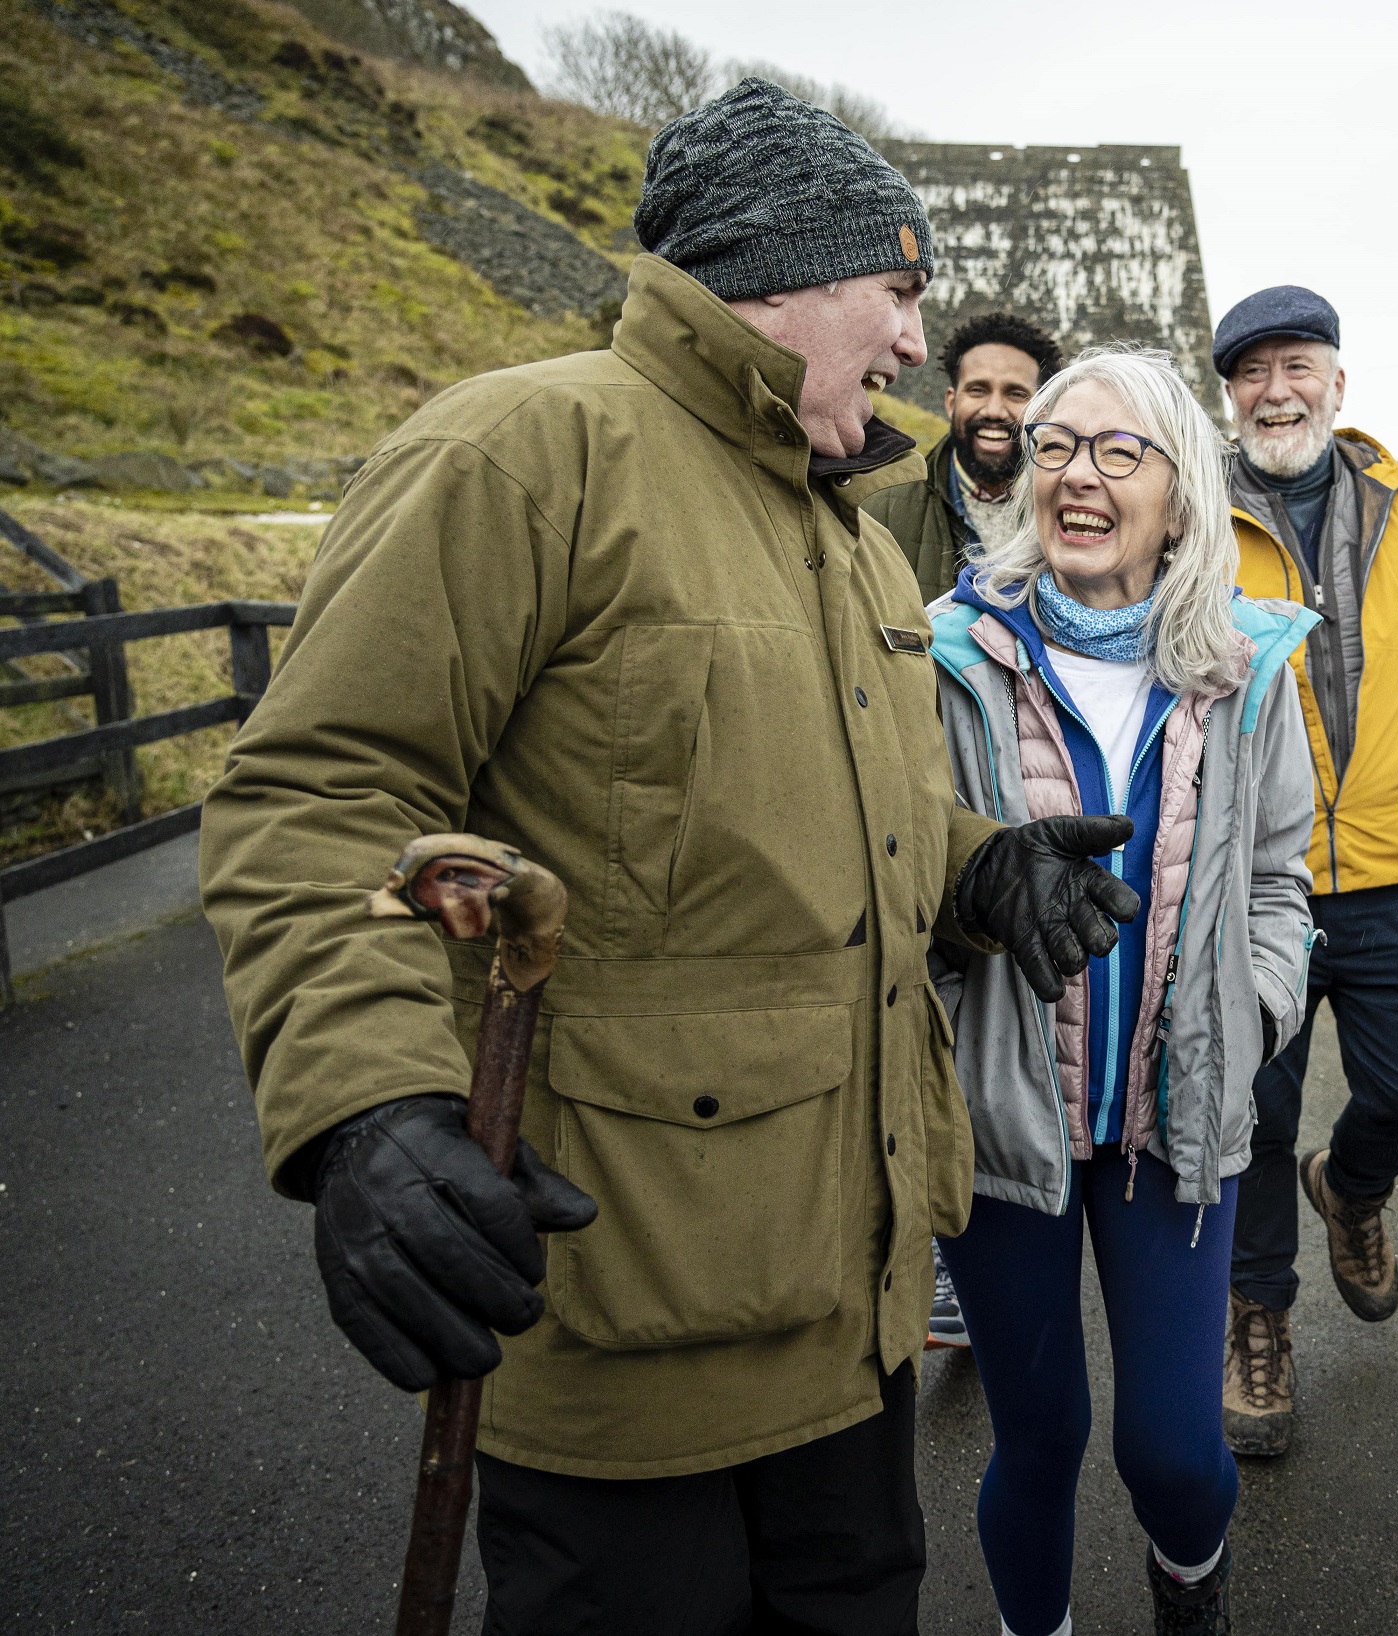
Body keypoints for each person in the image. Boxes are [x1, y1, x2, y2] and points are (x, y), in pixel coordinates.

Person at [200, 80, 1140, 1636]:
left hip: (850, 1311)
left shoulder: (847, 533)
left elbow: (831, 816)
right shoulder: (528, 451)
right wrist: (370, 1103)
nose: (915, 343)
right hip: (627, 1324)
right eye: (897, 294)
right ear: (782, 274)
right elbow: (319, 788)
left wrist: (979, 872)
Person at [926, 344, 1318, 1636]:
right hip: (1003, 1128)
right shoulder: (950, 655)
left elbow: (1277, 884)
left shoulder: (1247, 666)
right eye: (1053, 448)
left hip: (1175, 1125)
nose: (1075, 477)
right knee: (1037, 1439)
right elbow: (906, 871)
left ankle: (1187, 1588)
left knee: (1172, 1451)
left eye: (1115, 452)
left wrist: (1251, 1012)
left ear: (1179, 492)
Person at [1215, 284, 1398, 1457]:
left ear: (1337, 383)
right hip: (1252, 877)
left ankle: (1349, 1187)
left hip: (1392, 866)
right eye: (1251, 372)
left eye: (1296, 366)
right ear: (1229, 393)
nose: (1275, 390)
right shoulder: (1195, 514)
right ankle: (1259, 1322)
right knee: (1251, 1110)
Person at [867, 312, 1065, 602]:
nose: (994, 410)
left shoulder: (1070, 510)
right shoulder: (878, 512)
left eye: (1016, 394)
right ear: (951, 401)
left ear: (1043, 413)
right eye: (977, 390)